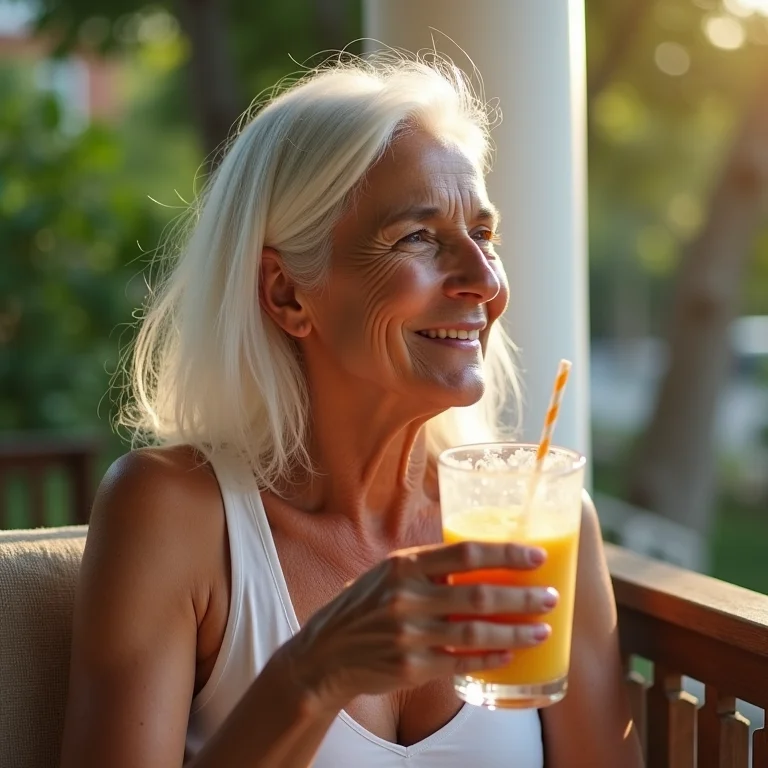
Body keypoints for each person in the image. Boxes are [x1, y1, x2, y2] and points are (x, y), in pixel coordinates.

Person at [60, 53, 643, 768]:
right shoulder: (171, 514)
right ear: (285, 293)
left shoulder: (542, 520)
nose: (485, 282)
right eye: (419, 237)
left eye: (484, 236)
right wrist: (315, 673)